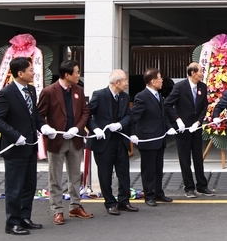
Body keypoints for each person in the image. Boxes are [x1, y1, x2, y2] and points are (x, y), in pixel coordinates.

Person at [0, 57, 57, 235]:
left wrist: (44, 127)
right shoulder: (6, 93)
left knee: (29, 185)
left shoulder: (31, 90)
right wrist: (15, 135)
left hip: (30, 147)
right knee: (14, 187)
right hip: (15, 148)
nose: (33, 73)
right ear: (20, 73)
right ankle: (12, 223)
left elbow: (34, 115)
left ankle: (24, 217)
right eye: (30, 70)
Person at [37, 59, 94, 225]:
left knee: (75, 175)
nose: (78, 75)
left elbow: (85, 113)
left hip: (75, 139)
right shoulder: (49, 91)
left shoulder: (79, 90)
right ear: (67, 75)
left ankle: (75, 205)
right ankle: (57, 210)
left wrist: (77, 128)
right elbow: (39, 115)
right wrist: (46, 128)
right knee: (55, 177)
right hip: (56, 140)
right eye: (76, 72)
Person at [86, 69, 138, 215]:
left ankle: (124, 201)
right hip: (104, 142)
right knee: (105, 174)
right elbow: (87, 115)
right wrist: (96, 129)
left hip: (120, 140)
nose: (127, 83)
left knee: (123, 172)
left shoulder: (124, 97)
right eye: (125, 80)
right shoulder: (99, 95)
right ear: (117, 82)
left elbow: (129, 116)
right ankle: (110, 203)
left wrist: (121, 125)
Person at [130, 68, 181, 207]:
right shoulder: (142, 96)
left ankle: (158, 192)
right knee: (148, 169)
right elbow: (133, 117)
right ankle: (149, 195)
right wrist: (132, 133)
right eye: (160, 78)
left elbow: (163, 115)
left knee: (158, 167)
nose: (162, 80)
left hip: (159, 138)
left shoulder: (159, 95)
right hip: (148, 139)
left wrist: (169, 127)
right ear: (153, 81)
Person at [164, 63, 214, 198]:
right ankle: (189, 187)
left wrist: (198, 122)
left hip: (196, 129)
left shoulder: (202, 87)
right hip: (183, 130)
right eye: (200, 71)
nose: (202, 73)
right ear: (193, 73)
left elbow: (204, 107)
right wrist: (177, 120)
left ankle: (202, 186)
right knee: (185, 160)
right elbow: (167, 104)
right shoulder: (180, 87)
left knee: (198, 158)